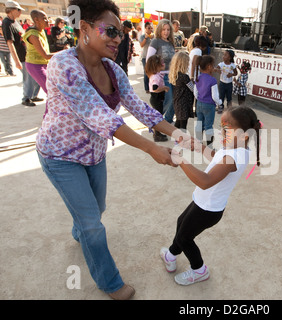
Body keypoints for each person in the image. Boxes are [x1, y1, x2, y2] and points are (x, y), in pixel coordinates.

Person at [36, 0, 190, 300]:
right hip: (59, 157)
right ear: (84, 29)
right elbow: (100, 115)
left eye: (120, 33)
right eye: (109, 31)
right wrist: (151, 149)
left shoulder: (113, 70)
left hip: (93, 155)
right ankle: (111, 284)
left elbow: (138, 107)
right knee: (93, 224)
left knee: (96, 210)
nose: (118, 39)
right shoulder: (63, 65)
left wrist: (177, 133)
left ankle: (79, 228)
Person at [161, 106, 261, 285]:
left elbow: (205, 181)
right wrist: (200, 148)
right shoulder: (233, 148)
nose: (220, 133)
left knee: (185, 238)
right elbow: (217, 157)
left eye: (226, 129)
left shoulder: (234, 157)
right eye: (220, 127)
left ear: (244, 136)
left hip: (208, 210)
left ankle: (199, 270)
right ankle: (170, 255)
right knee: (181, 224)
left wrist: (180, 160)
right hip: (202, 202)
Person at [3, 0, 41, 107]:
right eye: (18, 10)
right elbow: (10, 43)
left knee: (35, 76)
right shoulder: (6, 23)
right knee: (28, 77)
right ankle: (26, 98)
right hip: (21, 55)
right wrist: (16, 61)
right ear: (11, 10)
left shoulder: (15, 22)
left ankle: (33, 95)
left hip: (28, 53)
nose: (20, 12)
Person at [146, 19, 176, 124]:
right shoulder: (156, 41)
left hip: (172, 76)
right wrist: (153, 77)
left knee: (173, 100)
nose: (166, 32)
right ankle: (155, 120)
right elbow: (149, 60)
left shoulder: (171, 42)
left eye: (168, 29)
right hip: (161, 76)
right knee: (167, 100)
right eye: (163, 29)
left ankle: (163, 120)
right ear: (159, 30)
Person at [22, 10, 53, 94]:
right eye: (44, 18)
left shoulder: (41, 31)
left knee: (52, 90)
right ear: (36, 20)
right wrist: (66, 52)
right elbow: (45, 55)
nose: (47, 20)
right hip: (35, 65)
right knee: (51, 91)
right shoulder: (33, 35)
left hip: (44, 64)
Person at [194, 55, 222, 147]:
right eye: (213, 65)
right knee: (208, 126)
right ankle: (210, 146)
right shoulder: (212, 80)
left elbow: (195, 92)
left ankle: (198, 142)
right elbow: (215, 96)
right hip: (209, 105)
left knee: (199, 123)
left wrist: (199, 99)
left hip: (199, 103)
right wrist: (220, 103)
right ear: (209, 66)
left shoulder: (198, 77)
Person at [146, 54, 169, 142]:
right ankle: (157, 135)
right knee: (158, 117)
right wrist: (164, 88)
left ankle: (158, 133)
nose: (164, 65)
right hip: (156, 99)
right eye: (162, 64)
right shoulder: (155, 77)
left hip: (158, 98)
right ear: (157, 66)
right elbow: (155, 88)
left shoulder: (157, 74)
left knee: (158, 116)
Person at [169, 51, 194, 131]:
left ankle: (176, 138)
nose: (188, 64)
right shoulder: (184, 77)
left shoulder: (175, 75)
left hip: (178, 101)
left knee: (179, 121)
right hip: (184, 103)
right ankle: (182, 141)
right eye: (187, 62)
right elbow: (192, 88)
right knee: (183, 125)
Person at [216, 49, 237, 113]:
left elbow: (236, 73)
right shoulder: (221, 64)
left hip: (229, 84)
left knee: (229, 97)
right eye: (223, 55)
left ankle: (229, 109)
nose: (223, 56)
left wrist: (231, 74)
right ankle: (220, 107)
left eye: (225, 55)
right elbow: (216, 68)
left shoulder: (232, 65)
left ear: (230, 57)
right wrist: (218, 70)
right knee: (221, 96)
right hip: (222, 83)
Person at [139, 21, 153, 93]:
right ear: (145, 29)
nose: (150, 29)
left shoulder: (153, 37)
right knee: (146, 72)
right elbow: (141, 45)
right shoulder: (142, 36)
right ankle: (147, 88)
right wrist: (145, 38)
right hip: (145, 57)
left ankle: (152, 87)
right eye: (148, 28)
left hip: (152, 58)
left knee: (152, 73)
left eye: (151, 28)